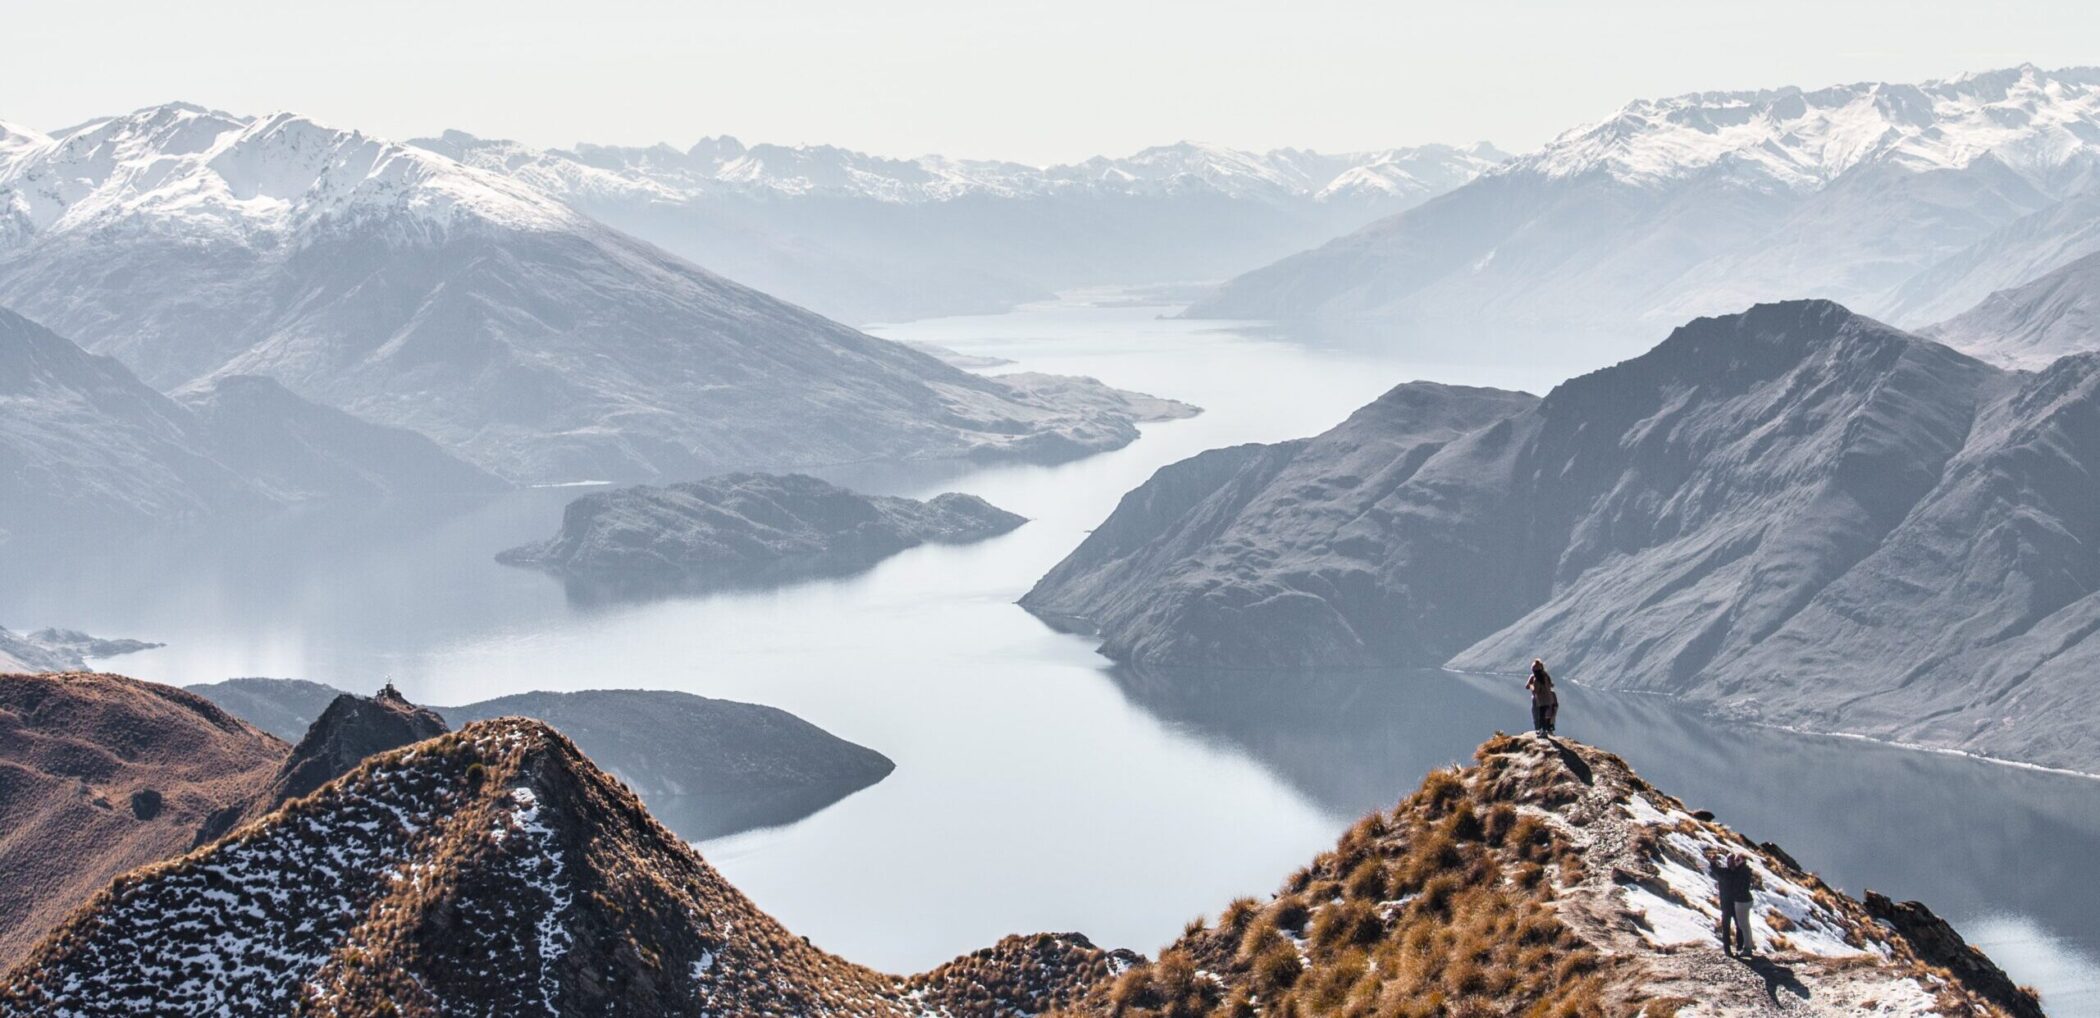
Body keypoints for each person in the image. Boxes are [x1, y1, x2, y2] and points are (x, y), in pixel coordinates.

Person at [1708, 852, 1755, 955]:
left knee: (1740, 926)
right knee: (1727, 926)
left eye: (1733, 860)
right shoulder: (1724, 872)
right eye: (1729, 860)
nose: (1731, 862)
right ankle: (1727, 949)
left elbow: (1746, 873)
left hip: (1737, 904)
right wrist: (1712, 862)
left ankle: (1739, 947)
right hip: (1727, 905)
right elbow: (1714, 868)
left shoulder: (1738, 872)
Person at [1526, 659, 1559, 736]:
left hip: (1540, 700)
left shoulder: (1537, 679)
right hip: (1549, 699)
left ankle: (1542, 730)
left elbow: (1535, 690)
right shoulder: (1546, 676)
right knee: (1547, 715)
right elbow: (1551, 685)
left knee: (1539, 715)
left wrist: (1531, 686)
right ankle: (1547, 729)